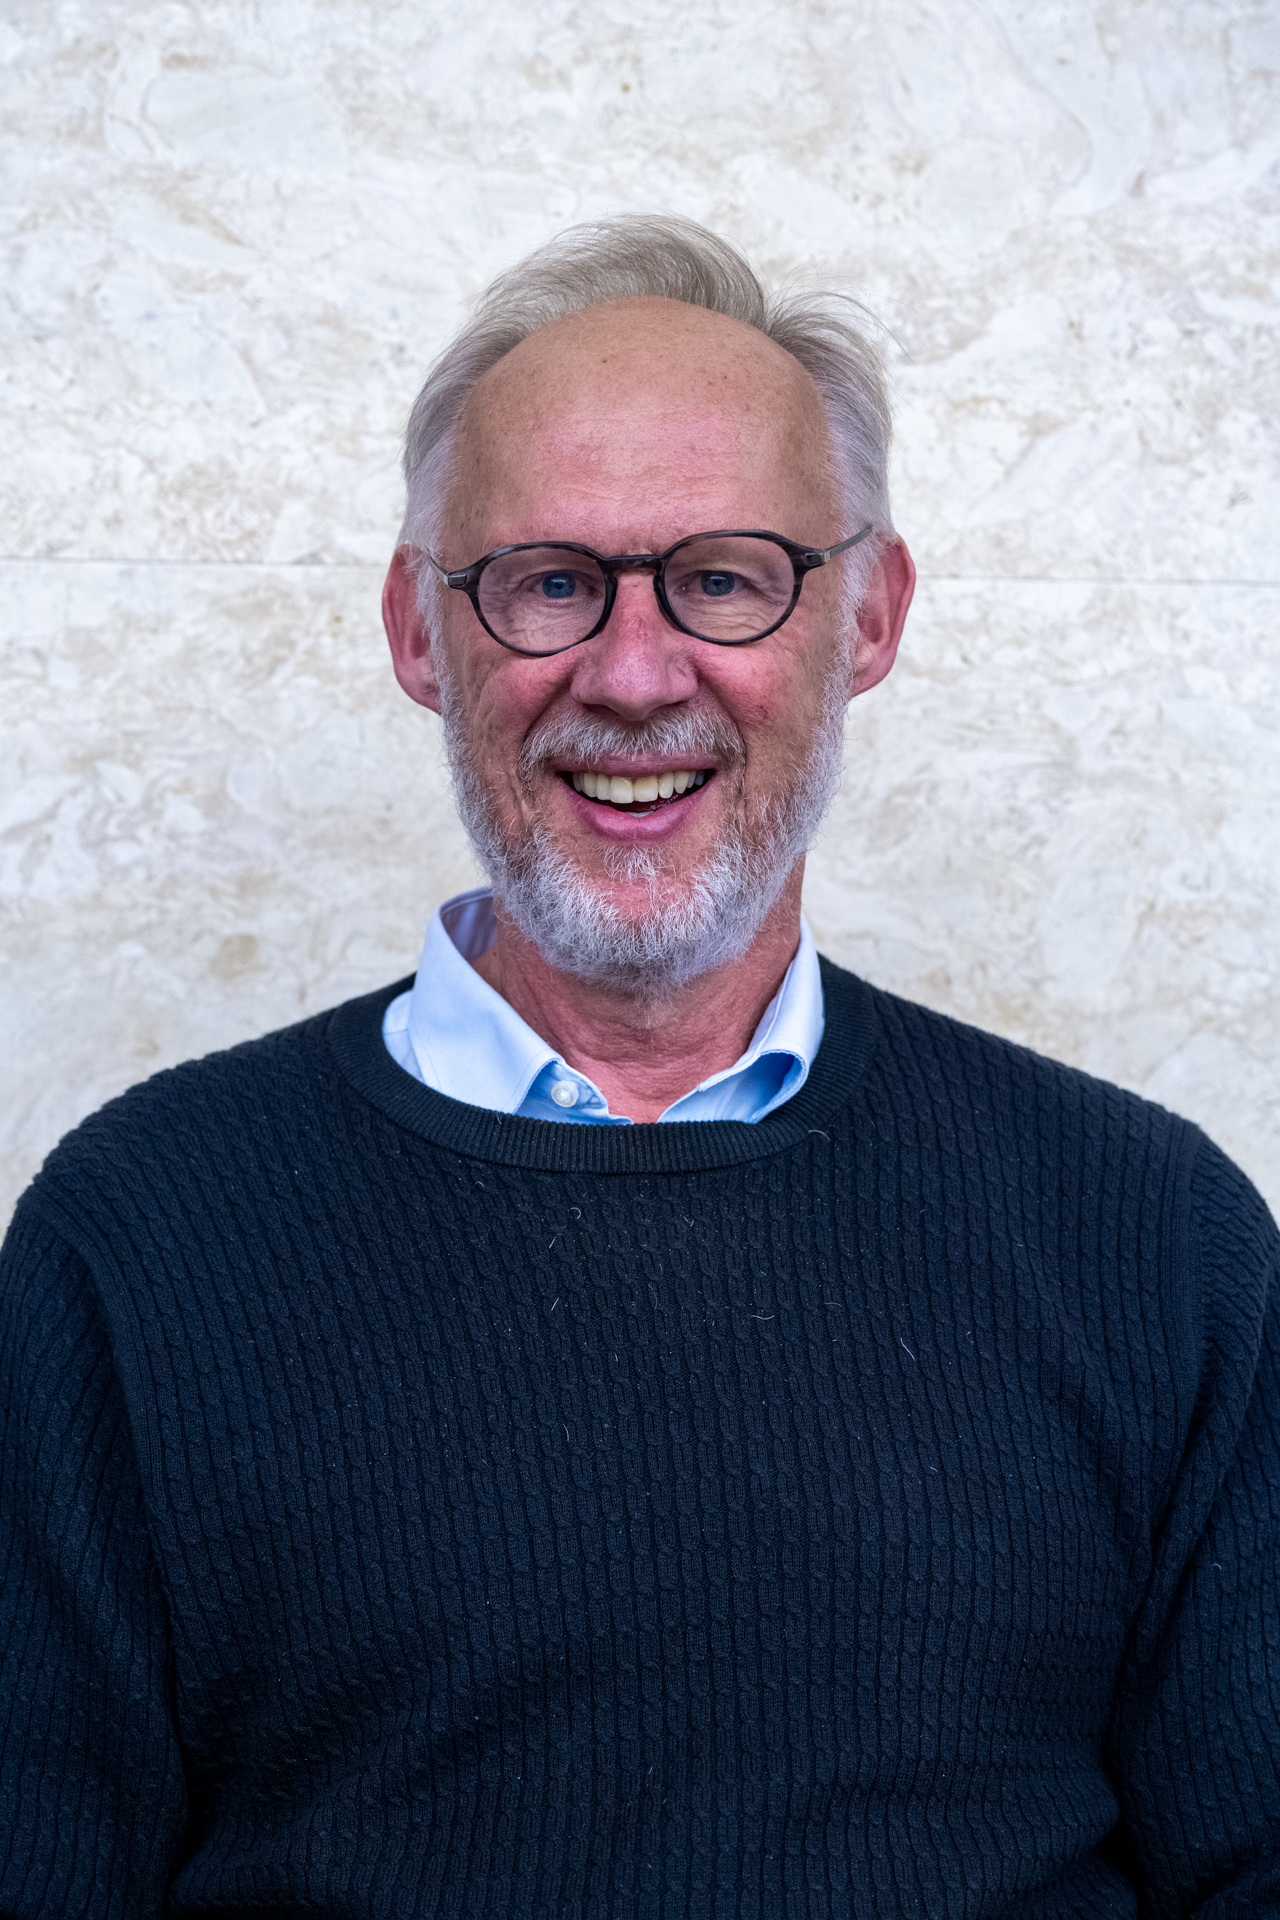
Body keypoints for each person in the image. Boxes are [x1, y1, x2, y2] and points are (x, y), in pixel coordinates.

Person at [1, 216, 1277, 1920]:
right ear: (419, 631)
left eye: (726, 577)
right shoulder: (141, 1234)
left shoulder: (1152, 1239)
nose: (630, 673)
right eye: (547, 582)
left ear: (871, 615)